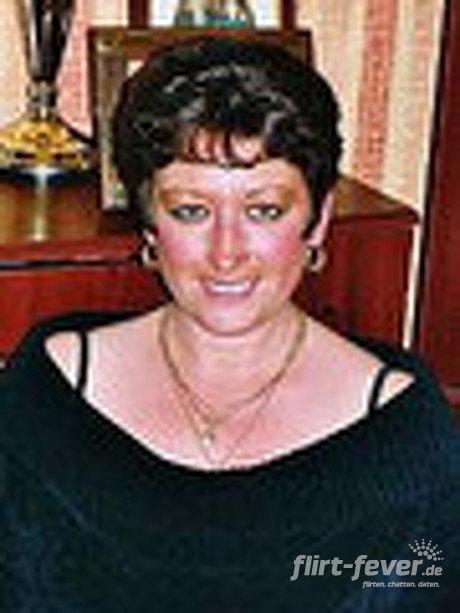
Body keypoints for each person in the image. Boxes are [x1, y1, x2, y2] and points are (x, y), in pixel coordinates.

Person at [0, 37, 458, 611]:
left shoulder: (403, 436)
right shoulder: (49, 393)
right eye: (191, 211)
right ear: (149, 224)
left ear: (318, 221)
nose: (226, 253)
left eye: (264, 210)